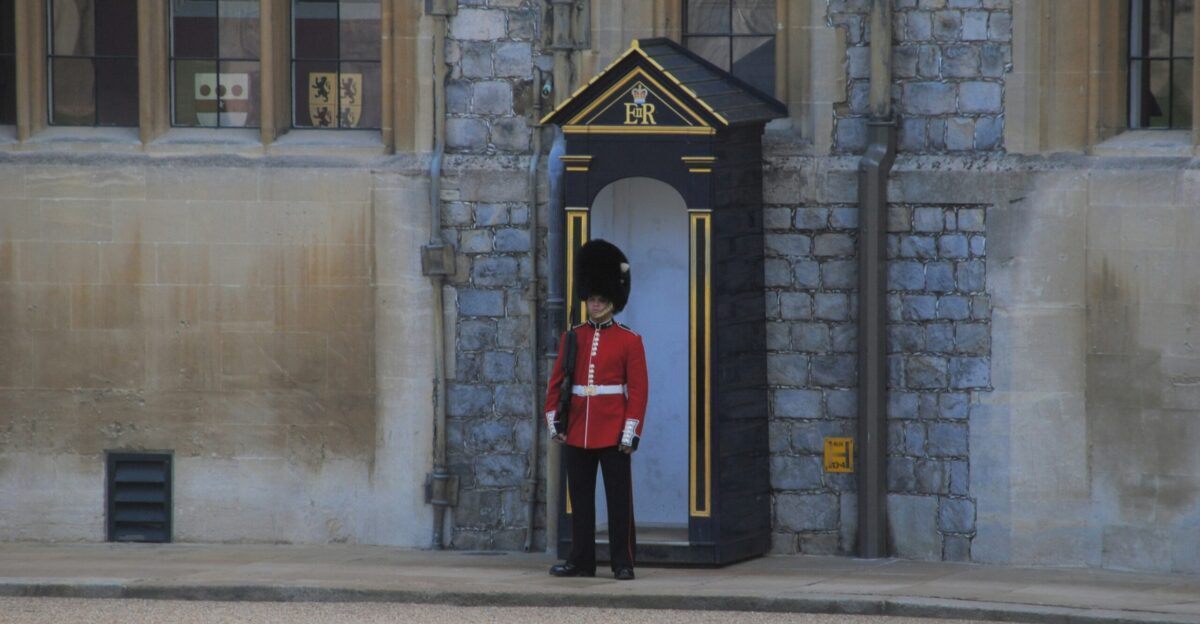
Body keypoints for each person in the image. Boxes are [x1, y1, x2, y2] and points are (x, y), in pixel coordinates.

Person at [544, 239, 648, 581]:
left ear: (612, 302)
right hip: (577, 427)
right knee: (580, 501)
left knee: (619, 501)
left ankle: (622, 561)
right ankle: (582, 560)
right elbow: (558, 382)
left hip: (613, 428)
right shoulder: (573, 336)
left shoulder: (629, 340)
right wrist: (554, 422)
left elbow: (638, 391)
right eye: (592, 299)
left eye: (602, 300)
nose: (596, 305)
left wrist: (630, 431)